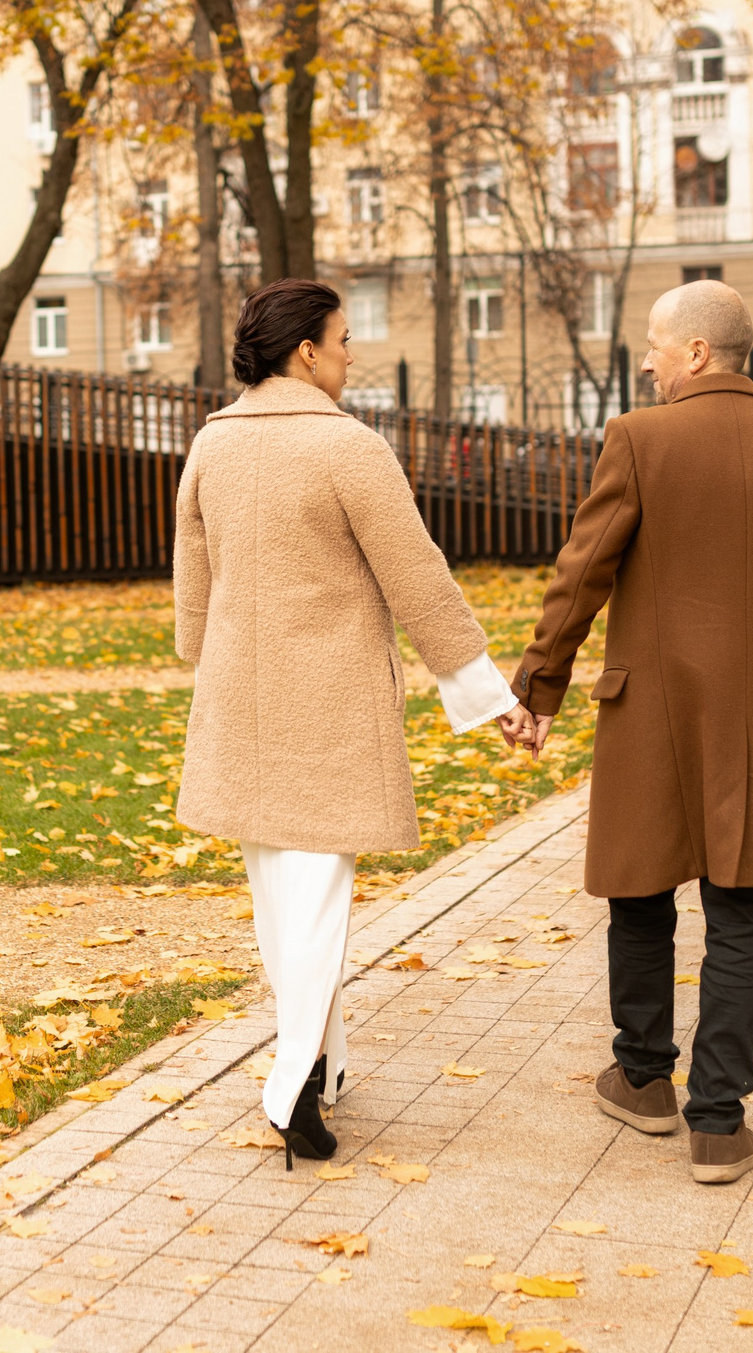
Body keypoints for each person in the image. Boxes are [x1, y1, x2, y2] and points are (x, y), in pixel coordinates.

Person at [499, 279, 753, 1185]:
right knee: (743, 913)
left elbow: (584, 572)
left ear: (697, 352)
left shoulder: (640, 439)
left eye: (656, 344)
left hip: (650, 704)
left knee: (641, 890)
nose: (647, 359)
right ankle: (720, 1124)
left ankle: (643, 1077)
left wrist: (540, 684)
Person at [173, 278, 516, 1167]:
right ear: (305, 353)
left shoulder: (211, 444)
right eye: (344, 338)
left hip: (239, 704)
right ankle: (291, 1086)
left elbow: (192, 585)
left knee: (282, 910)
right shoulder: (348, 447)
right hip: (323, 704)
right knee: (317, 906)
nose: (352, 354)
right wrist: (486, 691)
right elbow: (419, 578)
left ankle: (317, 1070)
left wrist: (203, 655)